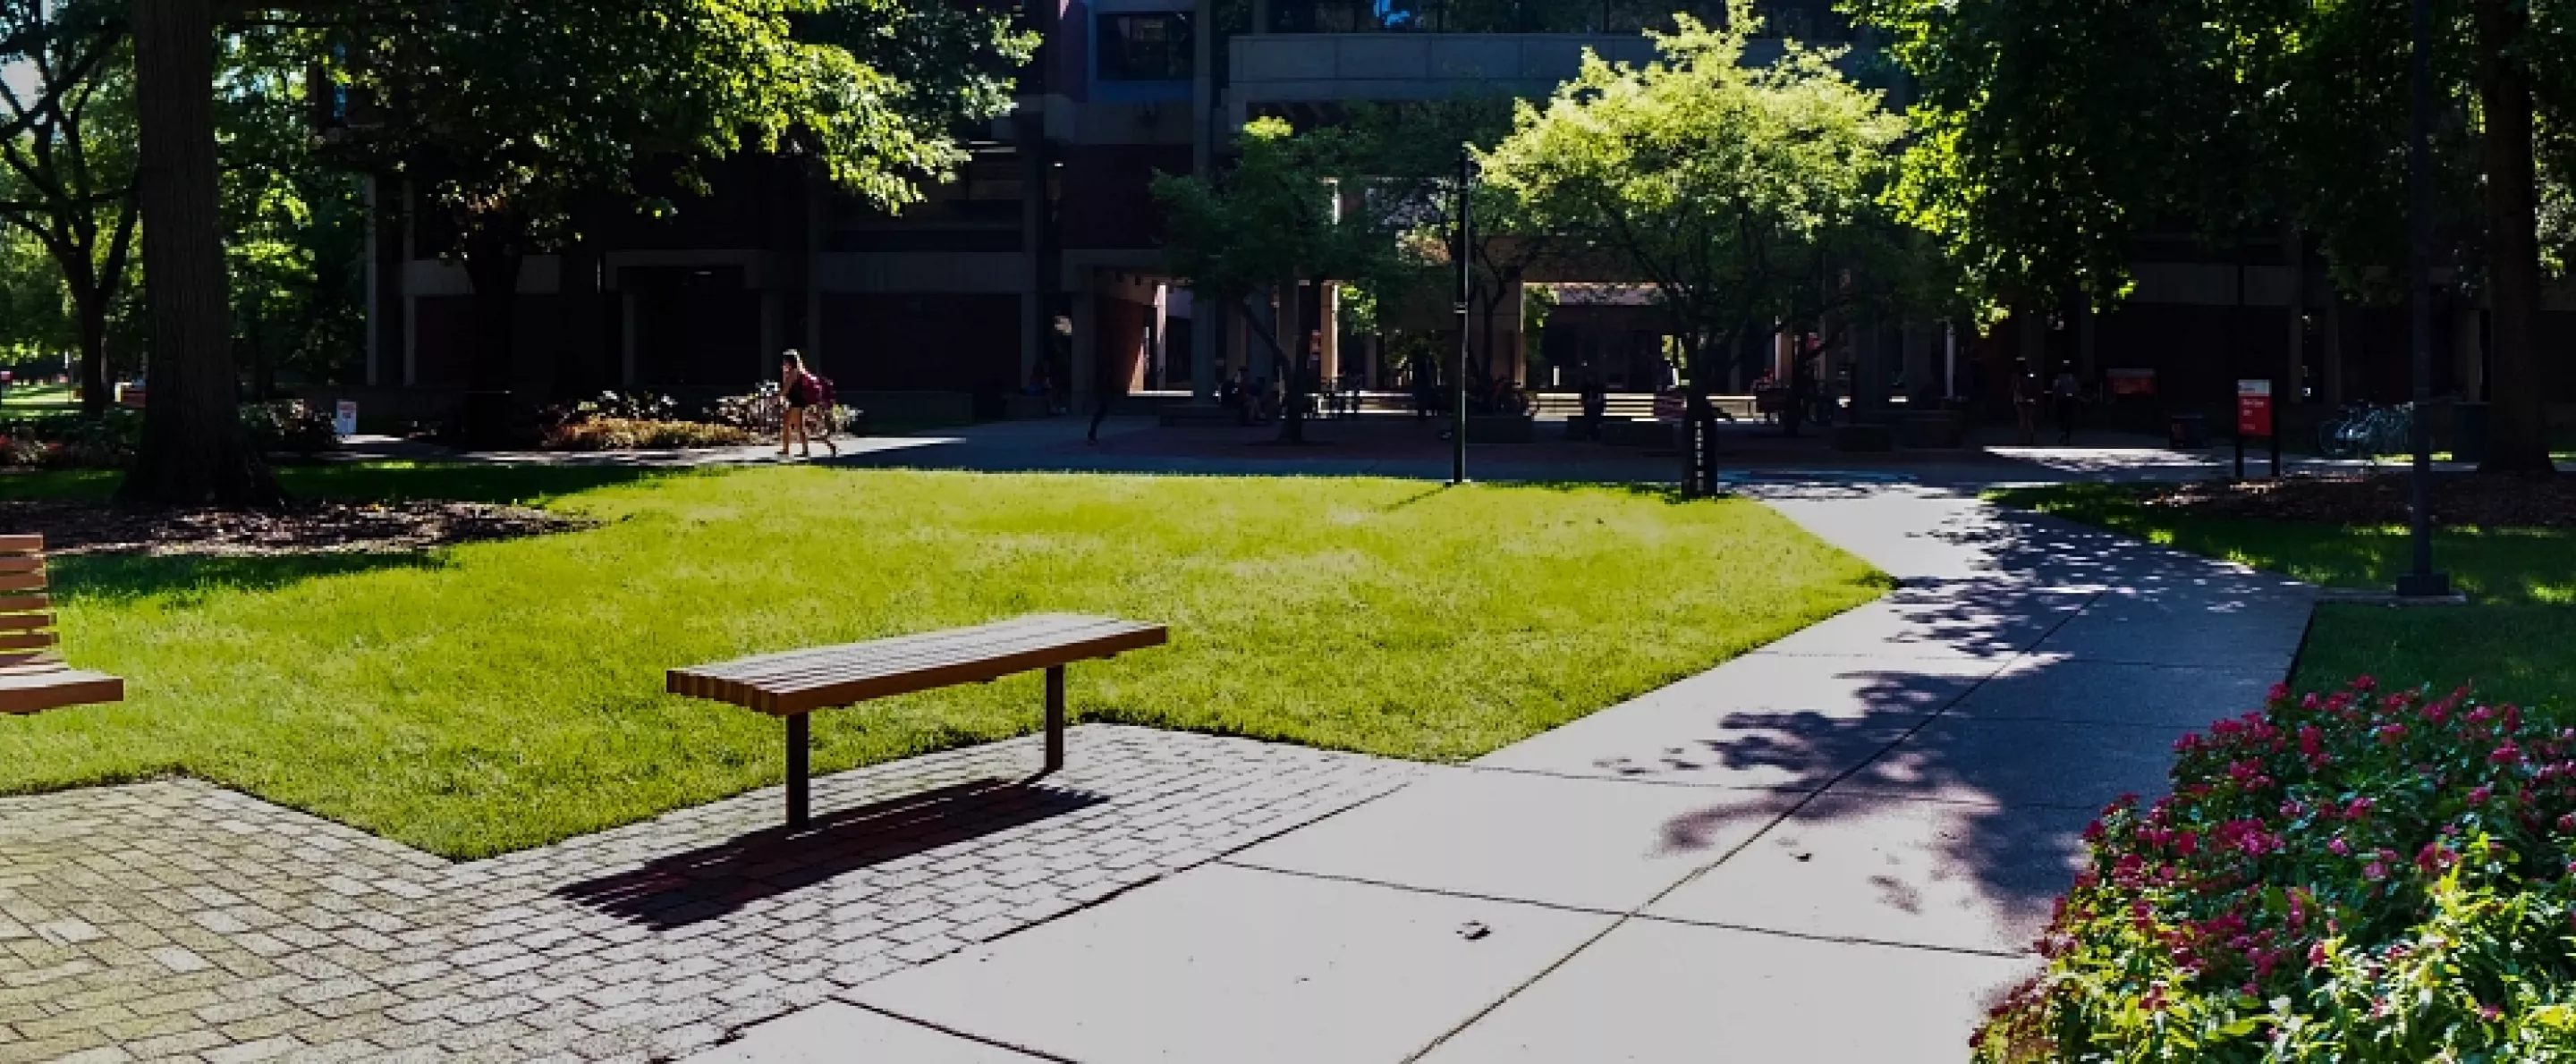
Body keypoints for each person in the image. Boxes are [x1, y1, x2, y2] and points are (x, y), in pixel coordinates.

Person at [778, 350, 838, 458]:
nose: (783, 362)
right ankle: (827, 445)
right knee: (797, 426)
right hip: (798, 402)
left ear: (790, 361)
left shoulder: (794, 372)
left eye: (785, 360)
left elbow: (786, 388)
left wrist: (776, 398)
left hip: (796, 403)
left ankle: (789, 450)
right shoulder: (798, 371)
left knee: (791, 426)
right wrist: (784, 373)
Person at [2011, 359, 2040, 445]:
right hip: (2031, 399)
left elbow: (2013, 386)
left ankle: (2022, 439)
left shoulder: (2016, 375)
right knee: (2029, 419)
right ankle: (2031, 436)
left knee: (2022, 418)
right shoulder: (2031, 375)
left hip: (2020, 399)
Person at [2053, 366, 2080, 444]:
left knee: (2061, 417)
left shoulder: (2059, 377)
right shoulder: (2073, 378)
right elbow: (2077, 388)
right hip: (2070, 399)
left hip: (2061, 399)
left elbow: (2055, 388)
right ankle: (2067, 435)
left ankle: (2062, 432)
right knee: (2069, 418)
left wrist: (2054, 398)